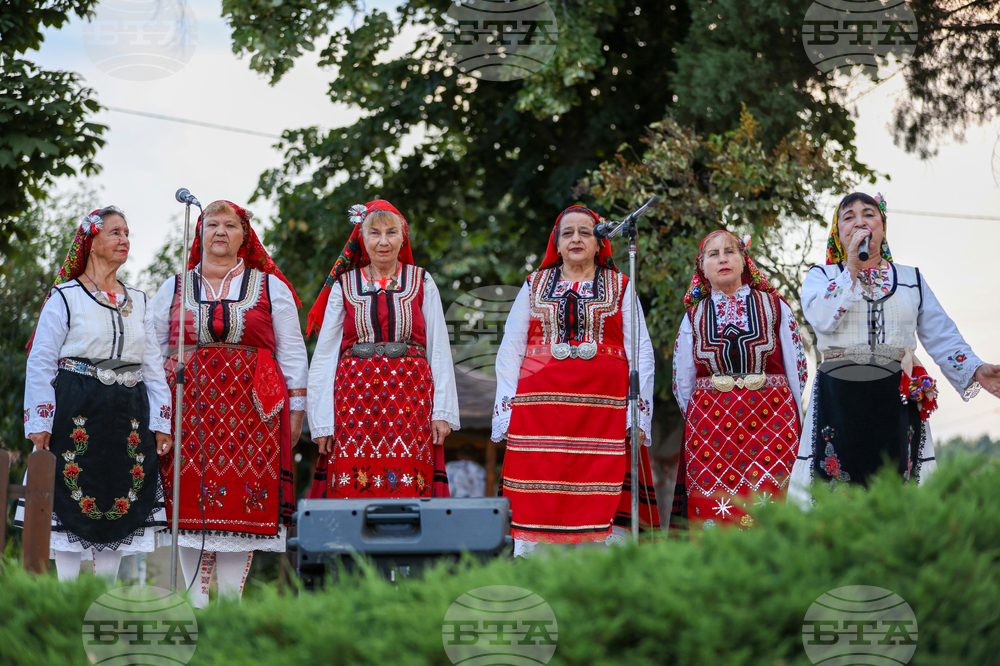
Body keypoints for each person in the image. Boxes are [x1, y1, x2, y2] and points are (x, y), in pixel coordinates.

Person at [788, 193, 1000, 503]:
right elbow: (821, 318)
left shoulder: (911, 279)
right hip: (838, 397)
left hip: (896, 398)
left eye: (869, 214)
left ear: (883, 227)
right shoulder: (822, 277)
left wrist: (976, 368)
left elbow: (942, 334)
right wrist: (850, 269)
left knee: (897, 486)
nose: (860, 222)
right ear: (838, 232)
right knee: (832, 487)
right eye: (849, 217)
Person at [152, 200, 308, 607]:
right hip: (187, 410)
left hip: (253, 415)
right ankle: (196, 602)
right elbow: (150, 351)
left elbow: (292, 353)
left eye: (230, 225)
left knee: (244, 503)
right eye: (212, 224)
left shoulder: (271, 287)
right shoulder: (173, 287)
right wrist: (156, 415)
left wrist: (296, 412)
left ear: (245, 236)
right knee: (186, 504)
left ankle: (232, 604)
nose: (220, 231)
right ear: (200, 232)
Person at [492, 206, 659, 557]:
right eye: (568, 233)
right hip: (541, 416)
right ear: (557, 243)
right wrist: (507, 408)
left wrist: (638, 413)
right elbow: (511, 349)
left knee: (602, 496)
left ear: (600, 243)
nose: (577, 239)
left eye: (585, 232)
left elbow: (640, 350)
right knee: (540, 501)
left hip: (605, 414)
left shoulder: (621, 285)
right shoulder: (533, 284)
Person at [20, 206, 172, 582]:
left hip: (128, 414)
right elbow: (40, 361)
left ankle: (103, 600)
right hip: (76, 408)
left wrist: (162, 421)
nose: (125, 240)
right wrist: (39, 421)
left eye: (127, 232)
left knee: (119, 499)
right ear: (92, 241)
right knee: (70, 499)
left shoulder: (139, 300)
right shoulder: (66, 297)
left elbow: (153, 366)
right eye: (115, 232)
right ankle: (66, 600)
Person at [306, 200, 459, 498]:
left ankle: (406, 544)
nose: (384, 241)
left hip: (411, 399)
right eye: (374, 233)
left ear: (403, 237)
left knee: (409, 483)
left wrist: (441, 411)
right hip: (353, 401)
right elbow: (324, 355)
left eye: (391, 232)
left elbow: (439, 347)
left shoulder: (421, 280)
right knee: (352, 482)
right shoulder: (344, 285)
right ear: (362, 238)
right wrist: (322, 420)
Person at [670, 230, 807, 534]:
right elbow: (683, 381)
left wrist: (795, 419)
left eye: (729, 251)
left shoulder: (775, 305)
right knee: (714, 510)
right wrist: (701, 416)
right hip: (712, 430)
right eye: (713, 254)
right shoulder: (694, 315)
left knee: (773, 502)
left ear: (744, 261)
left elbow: (797, 368)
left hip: (773, 423)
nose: (722, 259)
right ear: (702, 268)